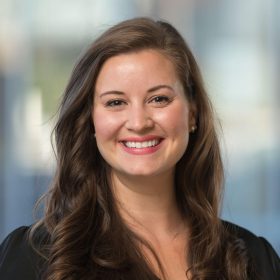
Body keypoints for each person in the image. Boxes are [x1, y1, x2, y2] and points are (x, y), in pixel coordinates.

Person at [0, 17, 279, 280]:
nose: (139, 122)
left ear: (192, 113)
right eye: (115, 102)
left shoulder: (255, 261)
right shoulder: (36, 257)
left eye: (159, 99)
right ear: (91, 121)